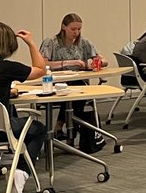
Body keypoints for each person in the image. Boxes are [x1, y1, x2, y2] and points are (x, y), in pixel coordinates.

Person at [0, 22, 50, 193]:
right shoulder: (7, 68)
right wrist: (31, 43)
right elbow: (40, 69)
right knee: (38, 128)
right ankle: (19, 173)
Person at [39, 13, 106, 153]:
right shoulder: (50, 42)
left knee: (77, 90)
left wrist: (93, 63)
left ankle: (61, 128)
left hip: (77, 82)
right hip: (55, 83)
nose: (77, 33)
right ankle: (66, 129)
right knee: (73, 91)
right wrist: (69, 62)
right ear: (64, 27)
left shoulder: (84, 43)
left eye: (79, 29)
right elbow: (43, 64)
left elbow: (104, 60)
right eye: (73, 29)